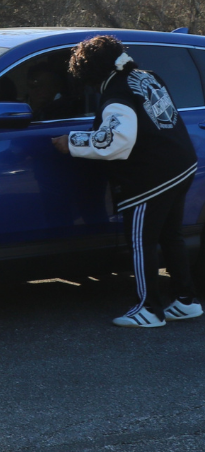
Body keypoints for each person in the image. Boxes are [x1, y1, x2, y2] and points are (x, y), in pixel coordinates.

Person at [52, 35, 201, 327]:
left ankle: (149, 309)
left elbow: (116, 142)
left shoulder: (116, 95)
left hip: (150, 177)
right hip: (180, 165)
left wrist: (70, 141)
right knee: (171, 236)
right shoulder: (146, 76)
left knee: (141, 241)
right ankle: (187, 301)